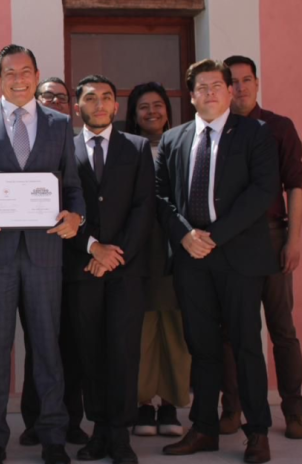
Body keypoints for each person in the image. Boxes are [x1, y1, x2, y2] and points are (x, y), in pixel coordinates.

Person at [0, 44, 85, 464]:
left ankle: (53, 435)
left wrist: (76, 217)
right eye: (10, 72)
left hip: (45, 252)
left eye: (26, 71)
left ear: (36, 74)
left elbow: (72, 186)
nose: (18, 79)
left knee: (47, 347)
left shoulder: (59, 123)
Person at [157, 59, 278, 464]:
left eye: (216, 86)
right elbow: (161, 196)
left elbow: (263, 191)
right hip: (191, 258)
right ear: (191, 96)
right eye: (201, 88)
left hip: (239, 256)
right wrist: (185, 235)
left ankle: (257, 432)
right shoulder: (173, 139)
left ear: (229, 92)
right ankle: (204, 428)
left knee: (246, 346)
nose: (209, 93)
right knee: (202, 346)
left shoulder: (256, 133)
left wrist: (215, 236)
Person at [65, 75, 155, 464]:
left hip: (125, 270)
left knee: (122, 351)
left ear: (117, 106)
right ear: (77, 107)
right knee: (90, 352)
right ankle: (99, 430)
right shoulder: (64, 149)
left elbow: (144, 206)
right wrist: (92, 248)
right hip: (82, 268)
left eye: (106, 97)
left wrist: (115, 255)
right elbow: (59, 207)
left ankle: (120, 434)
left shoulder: (137, 147)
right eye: (90, 98)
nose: (99, 104)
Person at [220, 55, 302, 440]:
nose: (240, 88)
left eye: (246, 80)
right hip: (230, 242)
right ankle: (232, 408)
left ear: (257, 83)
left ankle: (294, 411)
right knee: (232, 331)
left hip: (272, 238)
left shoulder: (278, 127)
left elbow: (295, 186)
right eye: (232, 81)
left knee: (282, 329)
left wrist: (293, 240)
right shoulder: (218, 129)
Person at [20, 76, 88, 448]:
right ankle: (36, 420)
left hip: (74, 259)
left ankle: (70, 420)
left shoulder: (77, 144)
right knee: (38, 343)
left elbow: (78, 196)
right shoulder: (26, 139)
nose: (56, 102)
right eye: (49, 95)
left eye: (63, 97)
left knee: (70, 344)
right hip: (33, 256)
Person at [125, 82, 191, 438]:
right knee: (142, 330)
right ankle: (143, 404)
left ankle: (170, 404)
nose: (152, 112)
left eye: (158, 105)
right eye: (143, 107)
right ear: (133, 115)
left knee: (176, 330)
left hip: (178, 248)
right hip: (139, 250)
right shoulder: (126, 148)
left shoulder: (184, 143)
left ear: (168, 109)